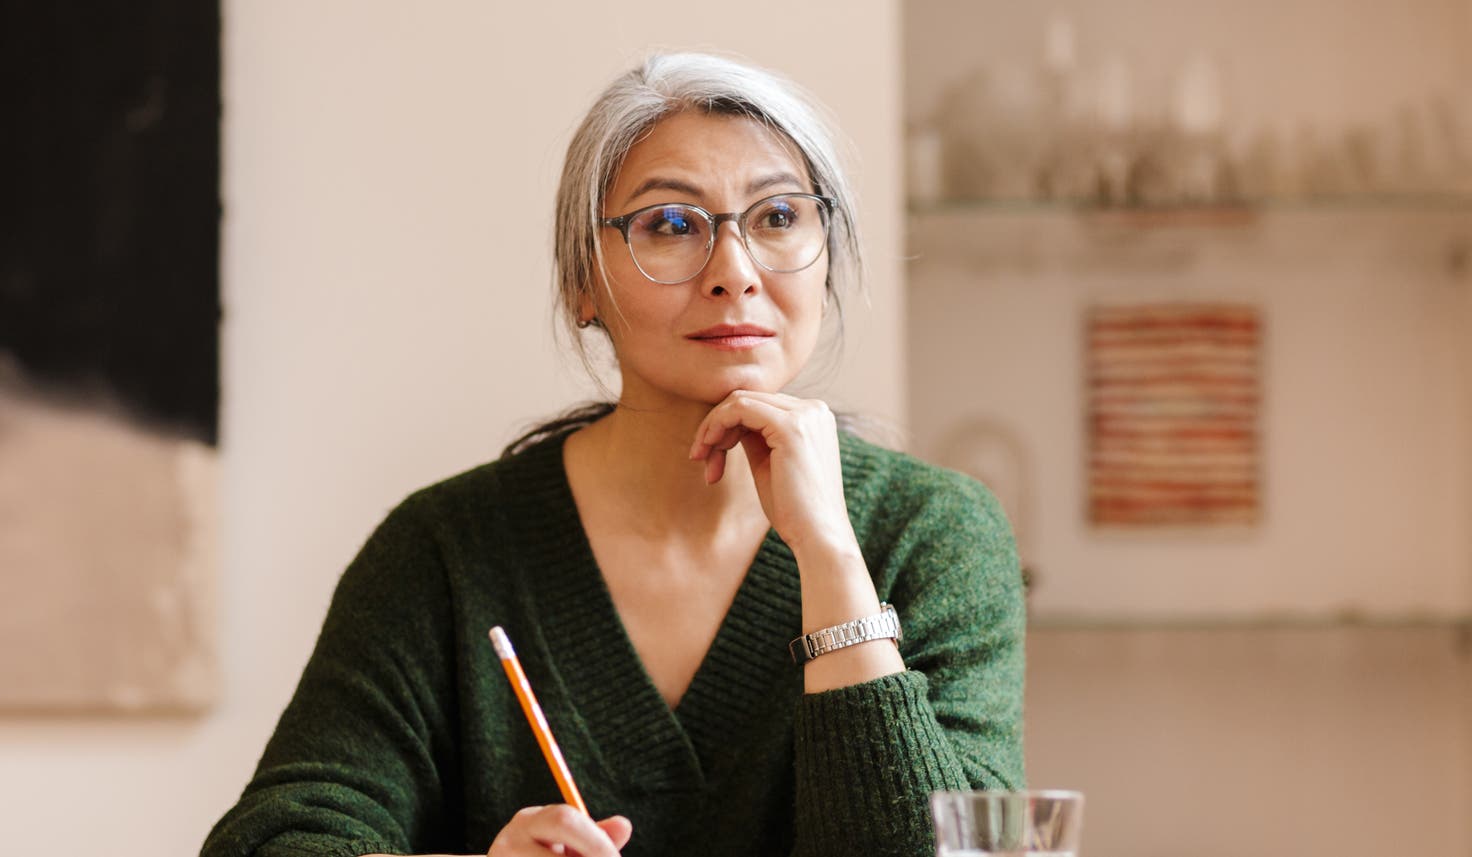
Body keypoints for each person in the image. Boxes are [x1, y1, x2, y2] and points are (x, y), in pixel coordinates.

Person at [202, 52, 1024, 857]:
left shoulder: (935, 531)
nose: (734, 272)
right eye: (670, 225)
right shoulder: (446, 552)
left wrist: (832, 559)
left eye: (778, 217)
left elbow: (962, 846)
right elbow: (277, 837)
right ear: (581, 284)